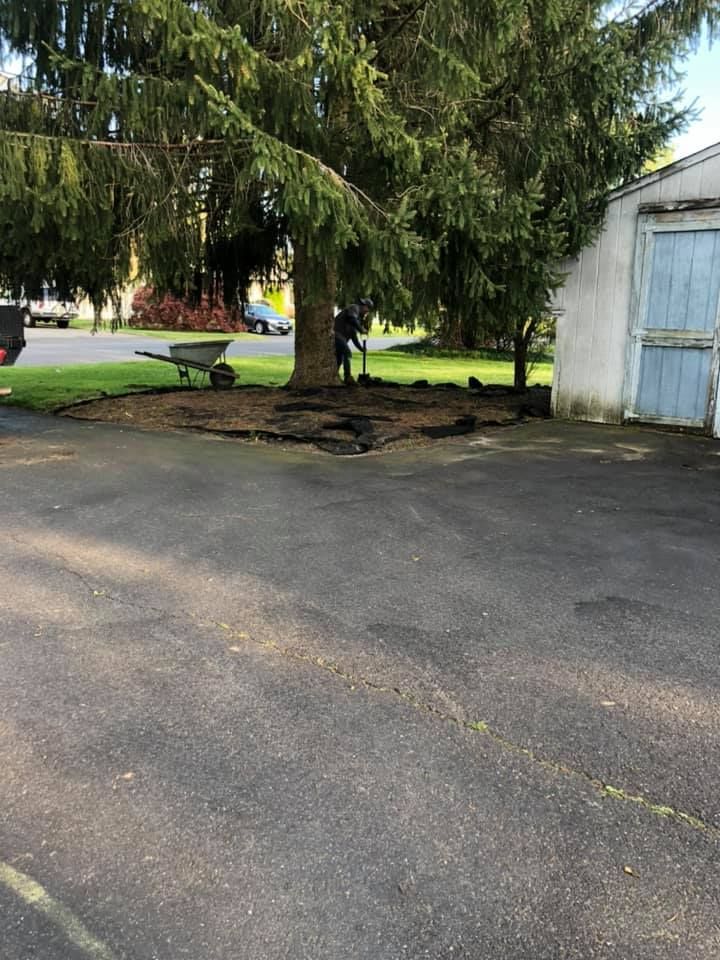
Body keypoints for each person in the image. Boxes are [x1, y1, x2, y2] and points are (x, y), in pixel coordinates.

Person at [334, 298, 374, 384]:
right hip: (336, 334)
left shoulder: (357, 318)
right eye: (368, 309)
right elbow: (352, 319)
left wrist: (361, 348)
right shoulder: (354, 308)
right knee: (347, 353)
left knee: (339, 358)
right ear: (364, 306)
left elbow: (353, 336)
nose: (367, 312)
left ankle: (334, 376)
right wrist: (361, 330)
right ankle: (348, 377)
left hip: (342, 338)